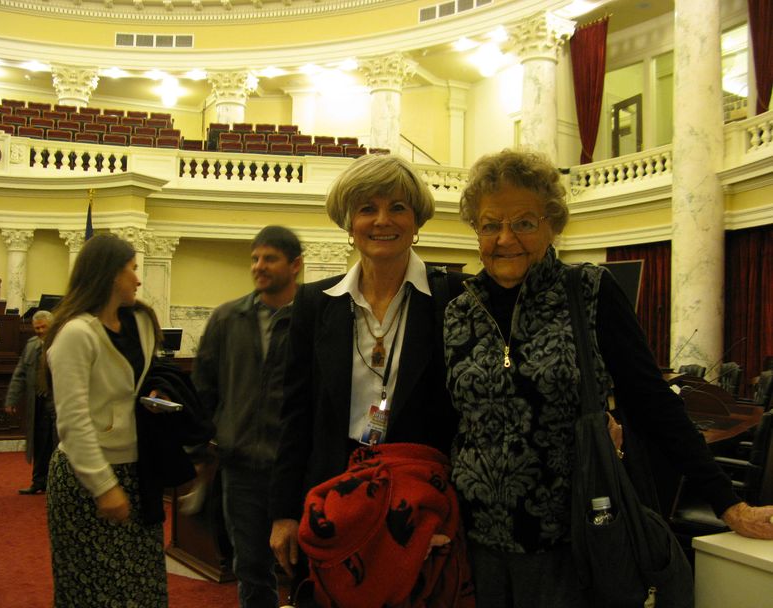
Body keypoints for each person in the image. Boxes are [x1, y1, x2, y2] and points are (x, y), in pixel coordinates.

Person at [443, 149, 773, 607]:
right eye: (489, 224)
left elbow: (653, 401)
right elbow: (445, 422)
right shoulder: (458, 309)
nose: (504, 239)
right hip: (472, 542)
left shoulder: (589, 292)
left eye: (523, 222)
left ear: (552, 224)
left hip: (575, 538)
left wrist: (728, 503)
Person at [269, 154, 468, 602]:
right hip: (333, 498)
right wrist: (284, 513)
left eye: (398, 207)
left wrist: (451, 513)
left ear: (416, 221)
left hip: (417, 505)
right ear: (349, 222)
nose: (383, 220)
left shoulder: (452, 298)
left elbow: (466, 417)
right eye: (367, 208)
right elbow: (295, 417)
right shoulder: (314, 304)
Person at [45, 233, 172, 607]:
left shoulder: (141, 323)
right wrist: (103, 486)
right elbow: (73, 420)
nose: (137, 279)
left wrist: (157, 397)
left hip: (137, 473)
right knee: (93, 590)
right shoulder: (76, 333)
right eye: (132, 269)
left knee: (143, 585)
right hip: (86, 480)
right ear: (110, 274)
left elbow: (142, 382)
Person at [192, 225, 303, 608]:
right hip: (241, 468)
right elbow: (204, 388)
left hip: (296, 468)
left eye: (269, 258)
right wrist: (204, 447)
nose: (258, 266)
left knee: (303, 567)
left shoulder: (314, 317)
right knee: (251, 567)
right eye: (254, 258)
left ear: (296, 265)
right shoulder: (227, 318)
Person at [6, 309, 57, 495]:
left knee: (56, 443)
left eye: (44, 327)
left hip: (57, 402)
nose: (40, 331)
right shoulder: (30, 345)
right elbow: (19, 374)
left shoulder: (62, 344)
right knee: (39, 443)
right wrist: (12, 399)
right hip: (37, 403)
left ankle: (55, 483)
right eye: (37, 328)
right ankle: (38, 481)